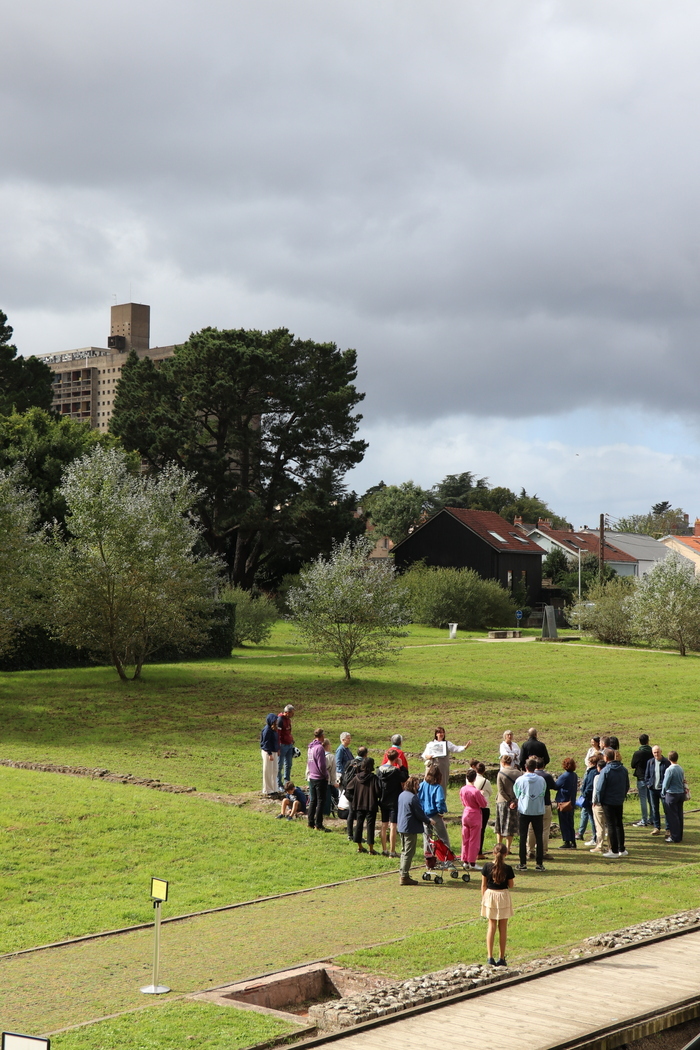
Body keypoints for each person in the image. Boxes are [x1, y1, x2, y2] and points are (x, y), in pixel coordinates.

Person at [481, 842, 515, 967]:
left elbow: (484, 885)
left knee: (491, 926)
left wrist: (483, 898)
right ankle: (501, 957)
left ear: (493, 853)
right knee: (503, 928)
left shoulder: (487, 866)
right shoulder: (508, 868)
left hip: (490, 895)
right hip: (503, 895)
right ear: (505, 854)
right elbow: (511, 885)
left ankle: (490, 956)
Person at [397, 776, 432, 886]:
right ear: (413, 785)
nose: (418, 787)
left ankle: (403, 872)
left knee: (404, 851)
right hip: (409, 827)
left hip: (402, 826)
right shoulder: (413, 797)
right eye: (417, 785)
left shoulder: (402, 795)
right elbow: (419, 813)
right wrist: (428, 821)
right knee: (409, 852)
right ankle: (404, 875)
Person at [514, 756, 546, 871]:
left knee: (523, 837)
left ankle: (523, 863)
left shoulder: (520, 780)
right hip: (537, 810)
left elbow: (517, 794)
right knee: (539, 837)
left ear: (526, 767)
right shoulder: (541, 780)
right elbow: (543, 792)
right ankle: (539, 863)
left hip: (524, 810)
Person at [597, 747, 630, 858]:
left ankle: (614, 850)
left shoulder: (606, 770)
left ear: (606, 758)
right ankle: (622, 848)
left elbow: (600, 788)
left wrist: (599, 799)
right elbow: (627, 785)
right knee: (619, 824)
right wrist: (622, 795)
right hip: (618, 800)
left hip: (608, 801)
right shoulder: (623, 769)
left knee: (611, 825)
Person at [377, 749, 409, 857]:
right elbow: (405, 777)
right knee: (393, 826)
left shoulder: (379, 770)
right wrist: (402, 765)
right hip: (394, 800)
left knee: (384, 824)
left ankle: (384, 849)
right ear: (396, 758)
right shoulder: (395, 771)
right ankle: (392, 851)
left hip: (383, 799)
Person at [346, 757, 380, 854]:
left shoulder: (356, 778)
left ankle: (360, 847)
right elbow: (378, 792)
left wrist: (354, 800)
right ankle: (371, 849)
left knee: (359, 825)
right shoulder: (374, 778)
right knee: (370, 826)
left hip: (359, 805)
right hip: (371, 805)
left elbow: (348, 790)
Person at [529, 757, 557, 860]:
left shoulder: (529, 776)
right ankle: (543, 851)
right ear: (543, 766)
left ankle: (530, 850)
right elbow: (554, 786)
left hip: (532, 804)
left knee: (531, 828)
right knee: (545, 829)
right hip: (545, 803)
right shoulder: (546, 776)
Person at [460, 769, 488, 868]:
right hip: (475, 814)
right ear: (475, 778)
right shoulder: (476, 791)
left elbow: (463, 801)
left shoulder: (463, 789)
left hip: (466, 812)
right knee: (474, 839)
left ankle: (465, 860)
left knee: (465, 838)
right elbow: (483, 804)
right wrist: (481, 795)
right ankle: (472, 861)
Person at [419, 763, 450, 851]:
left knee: (427, 838)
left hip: (424, 815)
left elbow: (418, 798)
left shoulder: (422, 785)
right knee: (443, 837)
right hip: (434, 814)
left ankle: (428, 859)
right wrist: (441, 811)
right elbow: (439, 800)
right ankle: (446, 858)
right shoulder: (437, 787)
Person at [494, 754, 520, 854]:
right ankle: (508, 848)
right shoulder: (519, 773)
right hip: (514, 802)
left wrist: (508, 800)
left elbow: (500, 790)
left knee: (500, 825)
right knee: (511, 825)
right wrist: (514, 800)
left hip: (502, 801)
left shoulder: (501, 773)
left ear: (503, 762)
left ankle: (499, 846)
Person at [306, 728, 330, 832]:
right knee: (321, 801)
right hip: (320, 778)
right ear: (322, 736)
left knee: (313, 800)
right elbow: (322, 764)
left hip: (312, 777)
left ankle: (310, 822)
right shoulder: (320, 748)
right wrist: (325, 775)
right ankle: (318, 824)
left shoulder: (311, 747)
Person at [342, 746, 368, 842]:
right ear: (365, 754)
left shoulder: (350, 762)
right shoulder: (364, 764)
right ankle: (358, 836)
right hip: (359, 792)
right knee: (359, 815)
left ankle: (350, 834)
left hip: (349, 791)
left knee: (351, 812)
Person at [645, 745, 671, 836]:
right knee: (654, 809)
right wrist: (648, 784)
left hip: (663, 790)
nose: (656, 754)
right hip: (653, 789)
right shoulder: (650, 762)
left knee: (666, 809)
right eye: (654, 752)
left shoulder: (666, 762)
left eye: (657, 752)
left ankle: (668, 828)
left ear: (661, 752)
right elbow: (647, 775)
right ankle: (657, 827)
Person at [662, 751, 685, 843]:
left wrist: (663, 792)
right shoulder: (680, 768)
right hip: (680, 793)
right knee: (679, 815)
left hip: (672, 794)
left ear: (669, 759)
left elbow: (666, 783)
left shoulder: (669, 770)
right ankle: (679, 835)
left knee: (673, 816)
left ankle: (674, 836)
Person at [555, 757, 578, 849]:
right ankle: (573, 841)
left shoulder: (564, 776)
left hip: (563, 801)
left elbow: (556, 786)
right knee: (570, 822)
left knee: (564, 822)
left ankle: (567, 841)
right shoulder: (574, 775)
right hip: (571, 801)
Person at [631, 733, 653, 827]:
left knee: (643, 800)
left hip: (641, 778)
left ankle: (644, 820)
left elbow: (632, 765)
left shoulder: (638, 753)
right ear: (648, 741)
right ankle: (652, 818)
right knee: (651, 800)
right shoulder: (652, 752)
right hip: (651, 779)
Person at [578, 752, 600, 846]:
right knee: (593, 818)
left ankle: (595, 838)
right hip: (591, 798)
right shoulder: (594, 771)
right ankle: (595, 837)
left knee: (592, 819)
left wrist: (584, 794)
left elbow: (589, 786)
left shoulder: (592, 772)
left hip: (589, 799)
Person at [589, 755, 608, 854]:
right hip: (609, 803)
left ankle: (600, 845)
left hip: (599, 804)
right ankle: (611, 845)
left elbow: (596, 791)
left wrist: (594, 802)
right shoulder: (609, 775)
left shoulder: (597, 777)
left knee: (599, 826)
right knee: (609, 825)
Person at [474, 762, 492, 857]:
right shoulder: (486, 781)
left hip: (474, 807)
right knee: (482, 830)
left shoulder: (471, 780)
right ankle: (479, 851)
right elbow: (490, 792)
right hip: (484, 807)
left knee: (474, 830)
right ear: (484, 770)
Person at [276, 704, 295, 788]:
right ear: (287, 712)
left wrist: (291, 739)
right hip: (282, 745)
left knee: (288, 764)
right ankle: (279, 784)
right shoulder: (280, 720)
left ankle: (287, 782)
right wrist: (278, 746)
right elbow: (278, 734)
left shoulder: (288, 720)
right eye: (291, 713)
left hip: (289, 744)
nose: (293, 714)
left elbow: (288, 731)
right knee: (280, 765)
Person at [260, 713, 279, 795]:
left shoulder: (274, 729)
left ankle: (274, 788)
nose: (276, 722)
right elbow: (265, 743)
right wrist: (270, 754)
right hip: (268, 752)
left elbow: (276, 740)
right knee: (268, 771)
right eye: (275, 720)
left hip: (274, 751)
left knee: (274, 770)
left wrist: (278, 749)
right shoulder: (267, 730)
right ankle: (267, 789)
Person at [323, 738, 339, 817]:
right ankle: (326, 814)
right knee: (327, 799)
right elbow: (333, 771)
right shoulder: (330, 756)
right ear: (328, 746)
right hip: (327, 780)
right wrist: (334, 782)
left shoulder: (315, 753)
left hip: (314, 778)